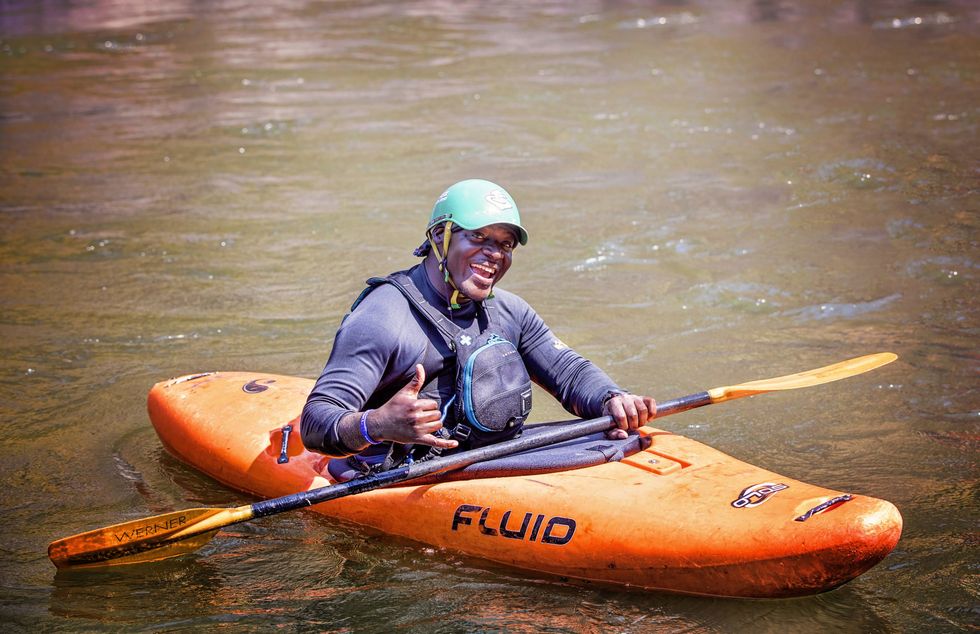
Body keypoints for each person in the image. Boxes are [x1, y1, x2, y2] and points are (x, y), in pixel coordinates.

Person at [300, 179, 656, 472]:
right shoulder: (384, 318)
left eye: (505, 244)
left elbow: (569, 372)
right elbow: (316, 422)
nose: (495, 254)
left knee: (614, 432)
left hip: (486, 460)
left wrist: (614, 399)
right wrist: (377, 424)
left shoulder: (508, 310)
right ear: (440, 236)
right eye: (479, 238)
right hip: (398, 473)